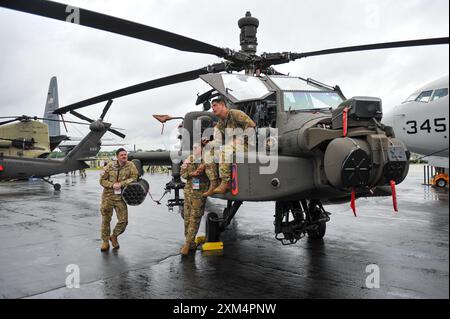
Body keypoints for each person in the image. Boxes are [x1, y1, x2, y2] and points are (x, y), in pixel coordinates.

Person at [202, 98, 256, 196]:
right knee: (208, 152)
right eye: (212, 106)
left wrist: (240, 139)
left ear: (222, 105)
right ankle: (214, 183)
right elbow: (218, 141)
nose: (212, 108)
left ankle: (226, 183)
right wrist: (208, 144)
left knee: (225, 149)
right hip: (233, 146)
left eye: (215, 105)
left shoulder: (236, 114)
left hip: (246, 146)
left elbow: (251, 127)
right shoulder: (220, 123)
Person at [99, 148, 139, 252]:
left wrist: (121, 184)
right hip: (108, 197)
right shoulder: (110, 166)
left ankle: (114, 236)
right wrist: (112, 185)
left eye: (125, 155)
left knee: (123, 221)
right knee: (106, 220)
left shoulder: (130, 165)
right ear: (117, 156)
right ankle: (105, 241)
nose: (124, 156)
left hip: (121, 197)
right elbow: (102, 180)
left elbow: (134, 178)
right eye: (122, 155)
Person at [180, 142, 209, 255]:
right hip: (188, 192)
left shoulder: (207, 159)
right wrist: (192, 174)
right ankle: (191, 243)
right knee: (187, 218)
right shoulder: (189, 159)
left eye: (198, 148)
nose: (196, 150)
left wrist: (200, 172)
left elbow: (211, 174)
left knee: (194, 219)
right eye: (194, 148)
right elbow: (183, 174)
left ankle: (187, 245)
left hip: (200, 193)